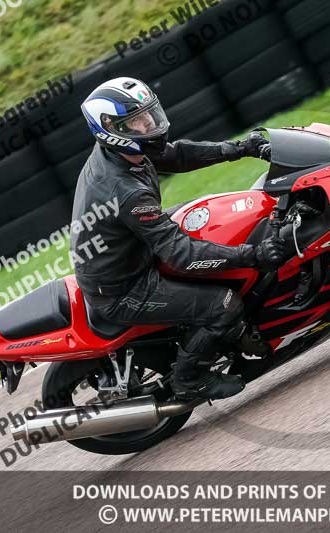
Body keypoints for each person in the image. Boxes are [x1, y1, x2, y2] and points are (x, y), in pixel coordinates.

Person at [72, 76, 284, 400]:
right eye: (137, 121)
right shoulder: (126, 191)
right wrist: (253, 255)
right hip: (124, 288)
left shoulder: (121, 153)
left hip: (129, 251)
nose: (148, 123)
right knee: (223, 305)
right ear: (113, 131)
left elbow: (178, 155)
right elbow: (181, 255)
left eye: (148, 114)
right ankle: (190, 380)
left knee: (209, 212)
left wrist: (240, 148)